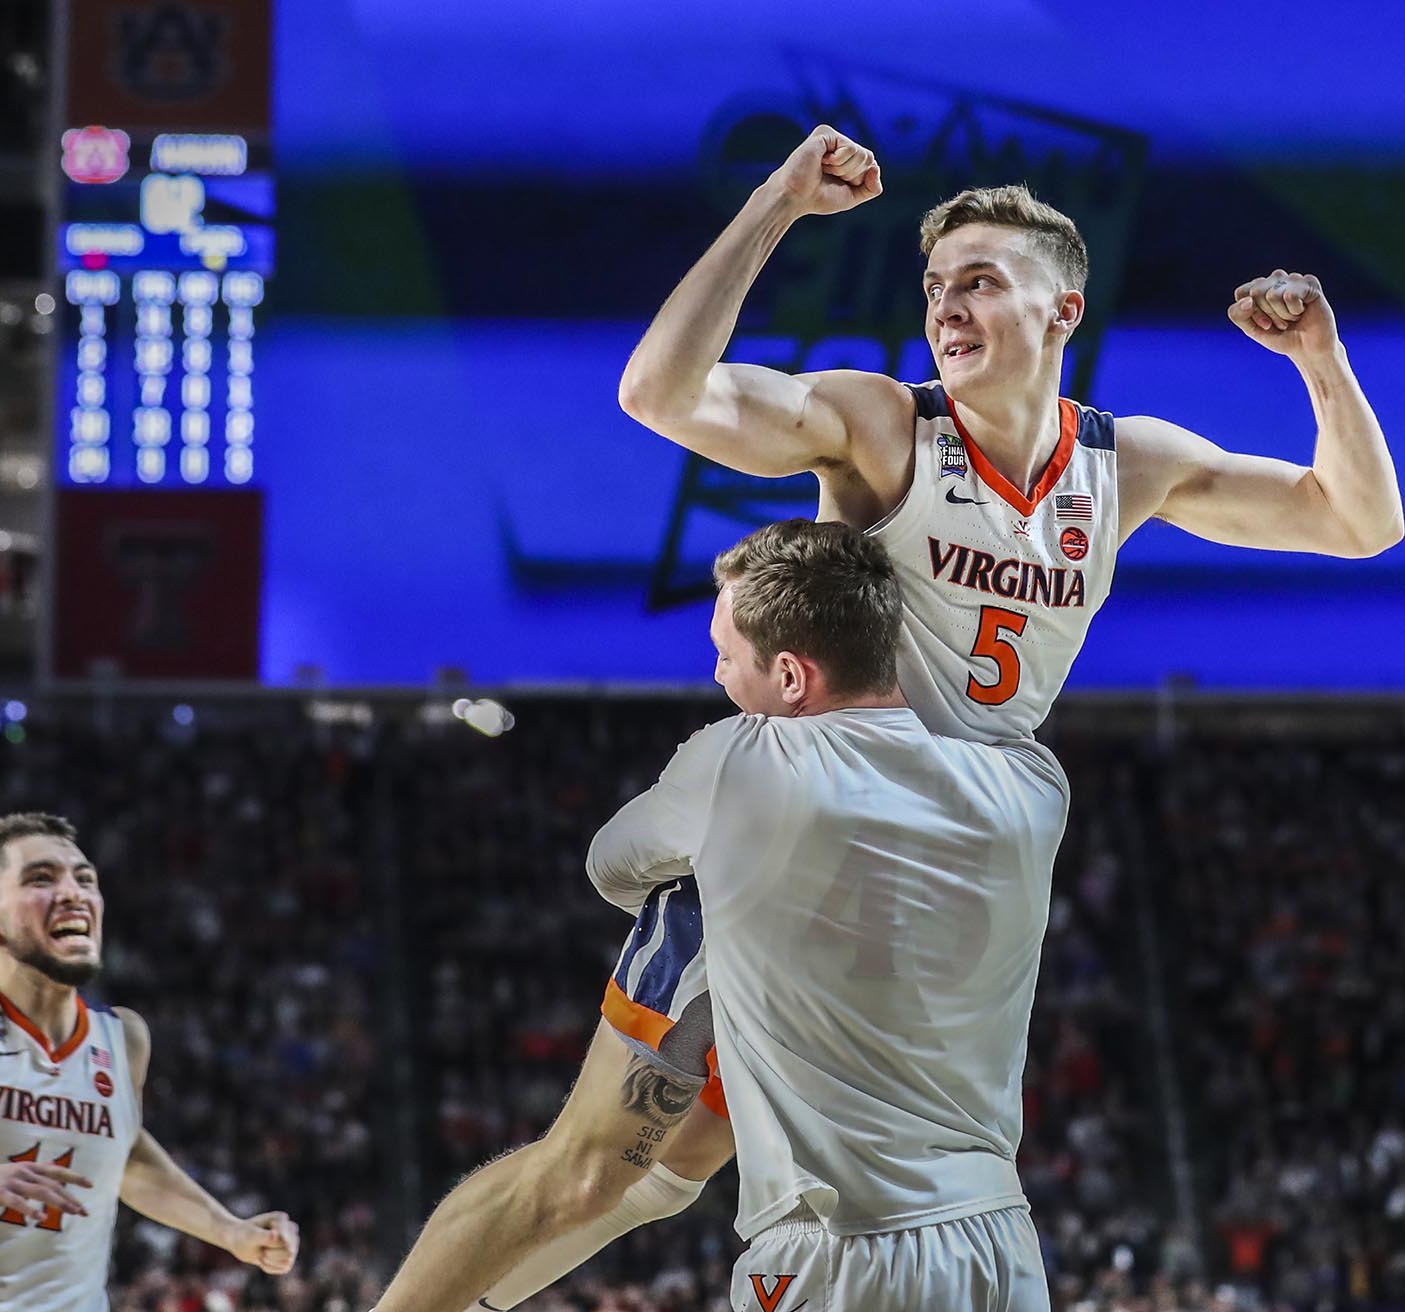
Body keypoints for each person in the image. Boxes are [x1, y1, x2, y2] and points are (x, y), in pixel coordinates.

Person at [380, 123, 1405, 1310]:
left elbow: (1355, 521)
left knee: (688, 1163)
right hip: (807, 825)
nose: (947, 306)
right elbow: (658, 392)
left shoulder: (1125, 466)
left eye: (979, 280)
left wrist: (1321, 361)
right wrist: (775, 204)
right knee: (595, 1167)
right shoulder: (883, 425)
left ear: (1062, 310)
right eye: (934, 286)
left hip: (943, 855)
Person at [384, 521, 1069, 1311]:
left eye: (725, 654)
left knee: (584, 1161)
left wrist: (752, 883)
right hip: (998, 1248)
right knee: (664, 1175)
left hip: (836, 1254)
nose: (716, 673)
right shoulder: (1030, 780)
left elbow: (612, 866)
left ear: (789, 675)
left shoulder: (738, 762)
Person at [0, 812, 301, 1311]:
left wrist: (230, 1230)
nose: (73, 893)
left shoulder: (124, 1037)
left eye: (85, 879)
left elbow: (124, 1154)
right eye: (41, 879)